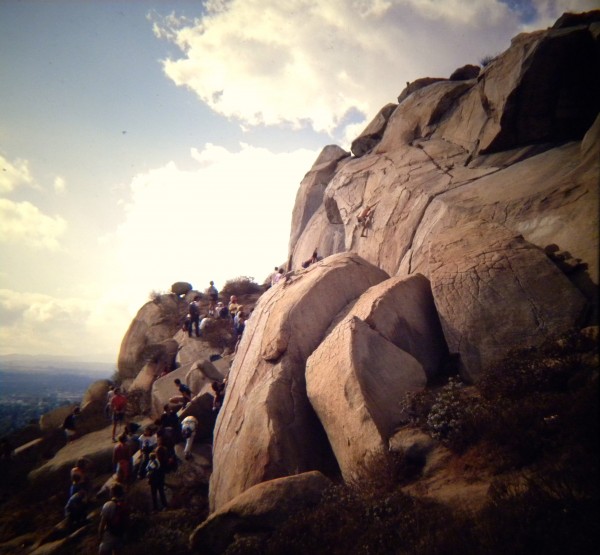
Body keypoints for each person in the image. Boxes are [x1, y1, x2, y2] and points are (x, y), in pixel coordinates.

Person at [98, 483, 129, 555]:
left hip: (109, 534)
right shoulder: (124, 504)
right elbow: (127, 520)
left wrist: (100, 535)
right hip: (120, 534)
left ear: (112, 493)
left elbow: (102, 522)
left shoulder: (108, 504)